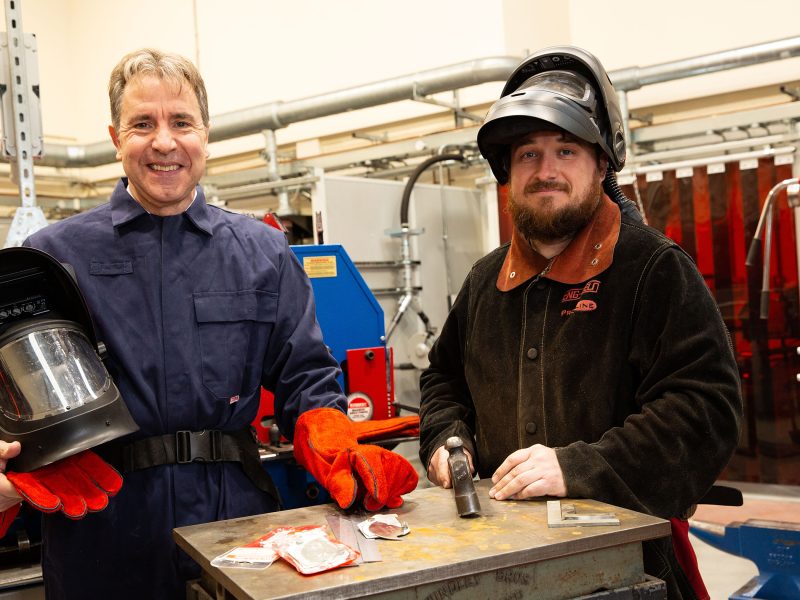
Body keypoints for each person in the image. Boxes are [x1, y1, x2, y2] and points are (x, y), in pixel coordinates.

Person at [0, 48, 360, 600]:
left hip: (236, 530)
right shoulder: (54, 255)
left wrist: (332, 440)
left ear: (205, 135)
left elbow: (306, 378)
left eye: (181, 122)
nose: (164, 142)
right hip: (104, 529)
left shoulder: (262, 251)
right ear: (116, 137)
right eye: (143, 123)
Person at [418, 46, 742, 599]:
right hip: (500, 560)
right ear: (508, 173)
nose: (545, 172)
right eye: (527, 155)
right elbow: (442, 382)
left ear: (601, 164)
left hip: (628, 566)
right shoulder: (485, 281)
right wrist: (448, 439)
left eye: (565, 150)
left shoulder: (652, 269)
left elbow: (704, 413)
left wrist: (579, 469)